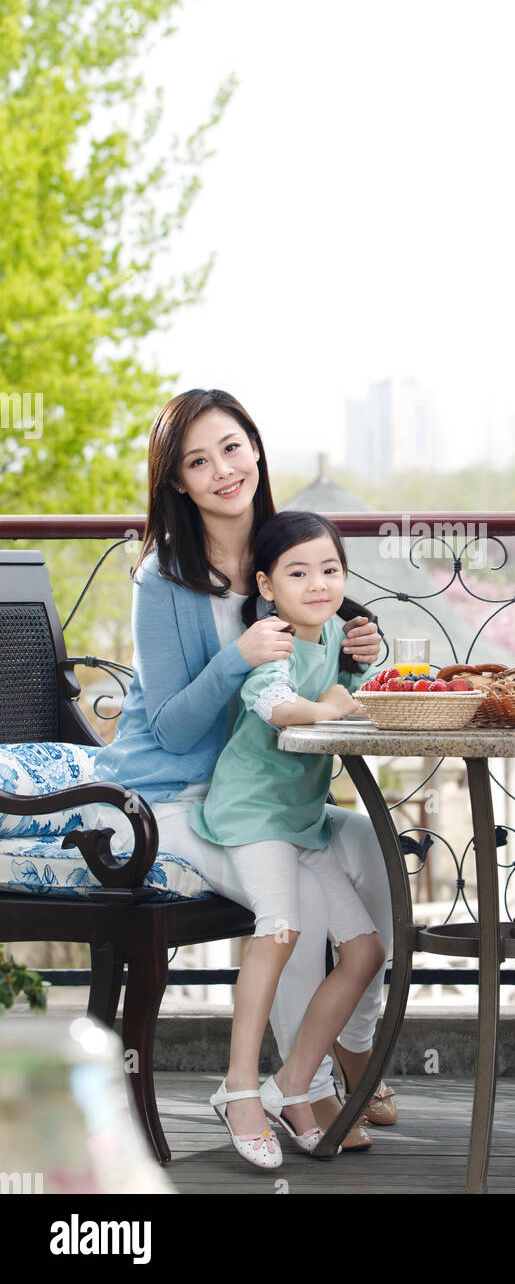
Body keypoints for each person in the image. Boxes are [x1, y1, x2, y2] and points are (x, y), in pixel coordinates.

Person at [92, 388, 396, 1149]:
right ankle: (305, 1093)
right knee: (303, 904)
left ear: (255, 448)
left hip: (268, 786)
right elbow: (168, 724)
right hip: (173, 794)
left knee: (381, 864)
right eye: (198, 461)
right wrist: (236, 658)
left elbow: (321, 650)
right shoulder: (164, 578)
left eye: (232, 447)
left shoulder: (280, 548)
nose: (223, 470)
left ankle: (345, 1054)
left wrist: (361, 649)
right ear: (179, 485)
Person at [187, 511, 386, 1165]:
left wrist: (362, 666)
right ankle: (239, 1088)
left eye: (330, 569)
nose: (318, 583)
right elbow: (279, 710)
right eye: (298, 572)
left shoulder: (332, 634)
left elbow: (347, 694)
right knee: (279, 930)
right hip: (253, 816)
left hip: (304, 820)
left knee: (364, 951)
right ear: (268, 586)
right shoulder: (268, 639)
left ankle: (291, 1083)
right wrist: (331, 704)